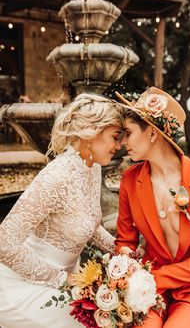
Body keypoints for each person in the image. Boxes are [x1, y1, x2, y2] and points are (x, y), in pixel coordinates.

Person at [0, 93, 123, 328]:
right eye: (114, 137)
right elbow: (4, 243)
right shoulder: (55, 177)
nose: (118, 146)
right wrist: (63, 279)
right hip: (21, 286)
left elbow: (89, 224)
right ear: (91, 133)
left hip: (68, 282)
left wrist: (121, 251)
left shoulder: (93, 167)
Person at [115, 86, 190, 328]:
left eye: (128, 132)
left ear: (153, 133)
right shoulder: (129, 180)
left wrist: (157, 278)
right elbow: (125, 240)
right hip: (146, 290)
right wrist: (124, 266)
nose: (122, 142)